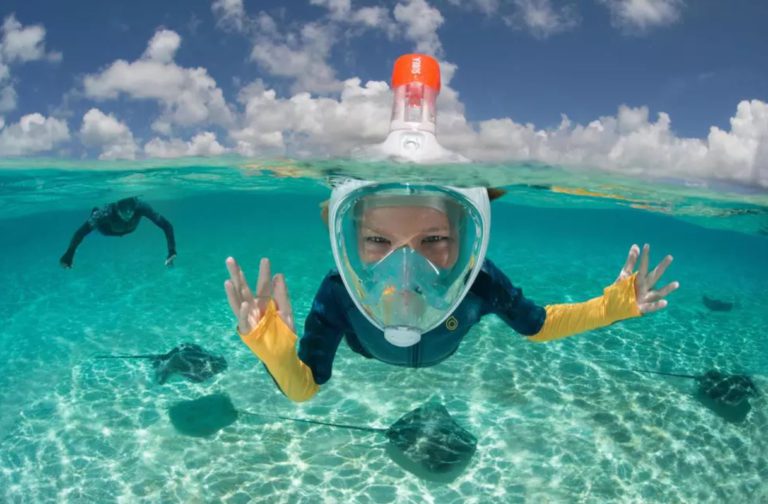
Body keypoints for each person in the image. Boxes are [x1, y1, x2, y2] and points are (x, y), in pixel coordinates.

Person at [224, 179, 679, 403]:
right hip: (370, 352)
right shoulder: (339, 292)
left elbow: (538, 325)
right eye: (378, 240)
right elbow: (306, 386)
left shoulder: (479, 281)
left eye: (435, 240)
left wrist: (608, 308)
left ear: (465, 241)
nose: (406, 269)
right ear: (351, 244)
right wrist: (275, 351)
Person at [59, 196, 177, 268]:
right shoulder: (106, 212)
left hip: (129, 230)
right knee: (95, 217)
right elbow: (80, 232)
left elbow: (166, 225)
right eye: (124, 213)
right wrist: (70, 253)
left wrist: (171, 251)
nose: (128, 216)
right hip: (107, 231)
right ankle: (94, 213)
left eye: (130, 212)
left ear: (134, 206)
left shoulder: (141, 207)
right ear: (116, 208)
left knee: (96, 218)